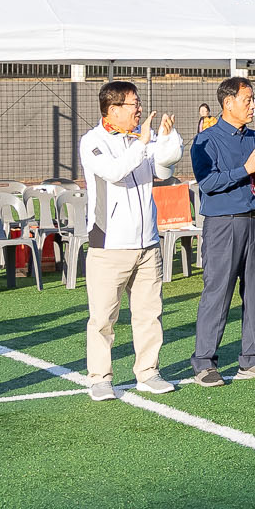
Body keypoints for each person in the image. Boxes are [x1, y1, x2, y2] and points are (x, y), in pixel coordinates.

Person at [79, 79, 183, 400]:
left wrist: (166, 141)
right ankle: (100, 377)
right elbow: (113, 172)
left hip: (148, 243)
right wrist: (143, 143)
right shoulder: (92, 141)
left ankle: (148, 371)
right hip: (109, 245)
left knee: (149, 313)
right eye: (133, 104)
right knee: (103, 318)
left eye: (138, 103)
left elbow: (164, 172)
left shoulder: (141, 138)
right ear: (112, 109)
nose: (139, 109)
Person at [188, 75, 255, 386]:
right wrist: (247, 168)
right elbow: (209, 183)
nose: (252, 105)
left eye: (252, 99)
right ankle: (204, 363)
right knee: (218, 292)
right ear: (228, 104)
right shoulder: (206, 140)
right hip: (223, 224)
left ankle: (251, 359)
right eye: (247, 100)